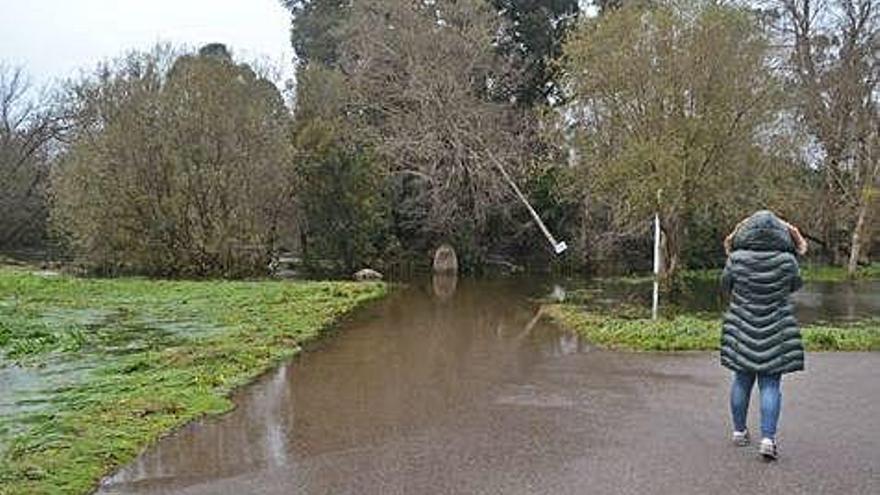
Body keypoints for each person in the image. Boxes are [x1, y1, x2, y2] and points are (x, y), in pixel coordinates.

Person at [720, 210, 807, 460]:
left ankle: (739, 432)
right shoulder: (788, 261)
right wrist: (798, 245)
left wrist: (731, 249)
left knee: (741, 380)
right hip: (776, 329)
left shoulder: (736, 259)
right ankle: (768, 439)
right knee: (770, 384)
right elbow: (795, 286)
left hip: (741, 329)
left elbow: (725, 286)